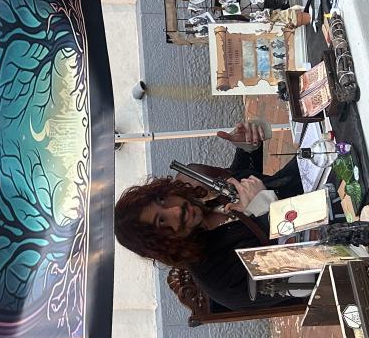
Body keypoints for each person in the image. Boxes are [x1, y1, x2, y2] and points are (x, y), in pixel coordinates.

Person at [115, 121, 305, 312]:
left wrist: (248, 147)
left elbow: (245, 178)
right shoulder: (220, 278)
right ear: (161, 244)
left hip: (309, 177)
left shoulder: (206, 202)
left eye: (163, 200)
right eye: (162, 221)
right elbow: (303, 270)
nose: (176, 211)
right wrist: (265, 209)